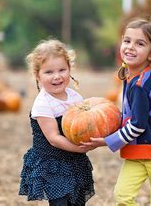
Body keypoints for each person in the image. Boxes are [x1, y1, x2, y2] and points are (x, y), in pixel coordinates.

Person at [82, 19, 151, 206]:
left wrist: (108, 140)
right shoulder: (132, 77)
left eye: (140, 43)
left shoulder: (140, 85)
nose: (130, 47)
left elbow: (137, 125)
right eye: (127, 41)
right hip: (139, 151)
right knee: (122, 196)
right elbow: (130, 116)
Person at [19, 39, 95, 206]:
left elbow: (84, 124)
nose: (57, 76)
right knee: (60, 202)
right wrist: (79, 148)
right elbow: (53, 138)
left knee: (77, 200)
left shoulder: (75, 97)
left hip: (74, 160)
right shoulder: (43, 103)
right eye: (49, 72)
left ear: (70, 69)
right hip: (52, 162)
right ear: (37, 75)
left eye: (62, 70)